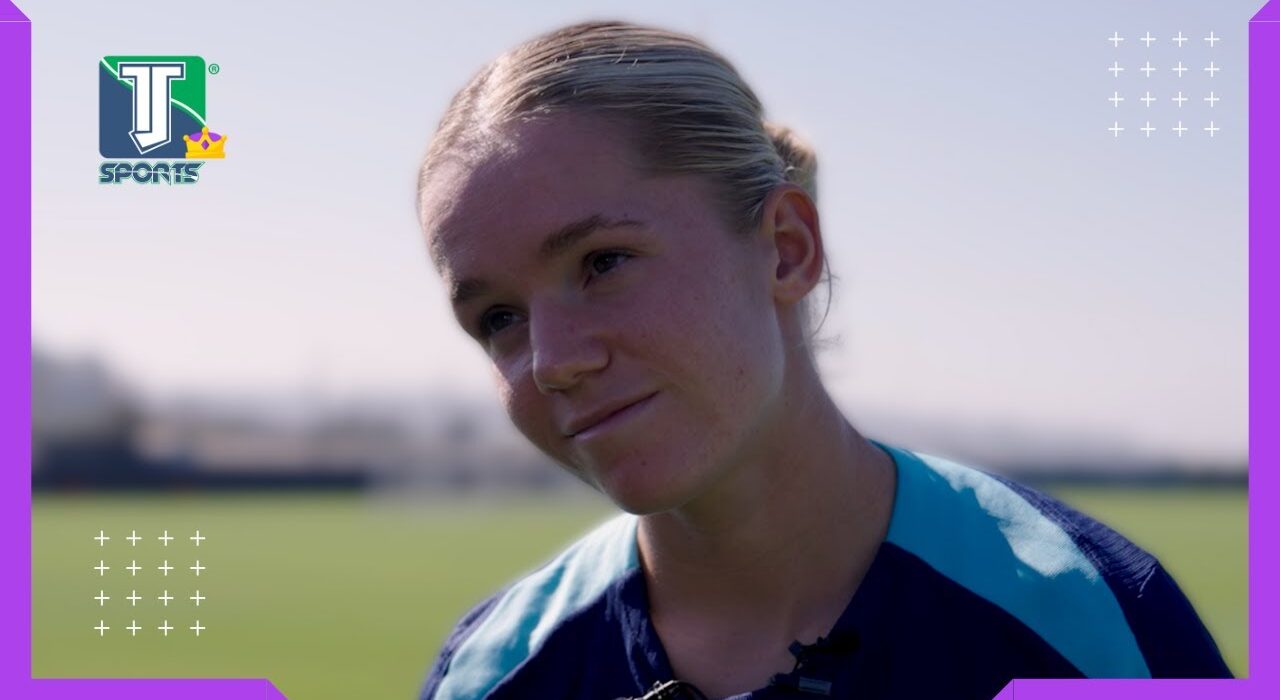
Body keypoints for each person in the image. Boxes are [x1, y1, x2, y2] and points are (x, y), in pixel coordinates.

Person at [412, 20, 1232, 700]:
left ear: (787, 248)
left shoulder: (1089, 629)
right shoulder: (490, 678)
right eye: (499, 319)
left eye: (604, 262)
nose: (553, 361)